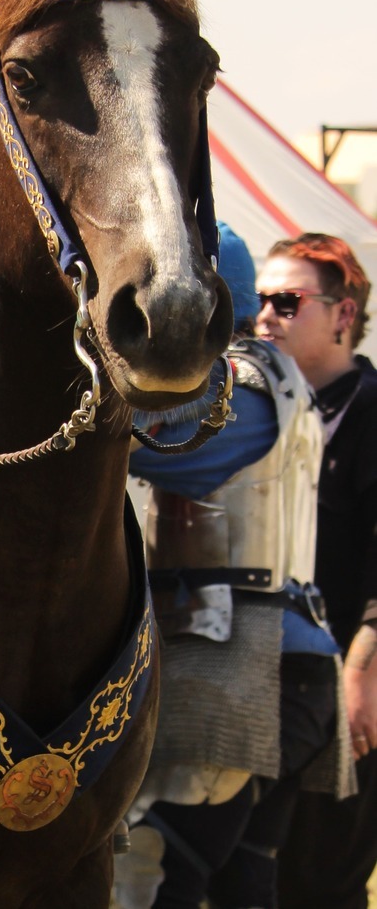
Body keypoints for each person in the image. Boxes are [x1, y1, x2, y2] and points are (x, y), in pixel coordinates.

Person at [115, 223, 343, 909]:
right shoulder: (281, 381)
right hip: (284, 660)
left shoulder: (233, 388)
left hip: (237, 659)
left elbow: (116, 441)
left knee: (155, 876)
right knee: (243, 883)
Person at [260, 234, 377, 909]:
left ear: (341, 314)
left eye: (286, 299)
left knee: (320, 881)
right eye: (259, 301)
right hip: (279, 685)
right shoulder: (263, 408)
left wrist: (361, 675)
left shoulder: (368, 408)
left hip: (351, 689)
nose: (264, 316)